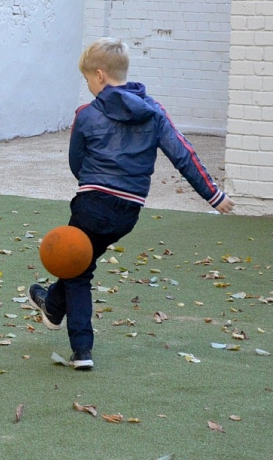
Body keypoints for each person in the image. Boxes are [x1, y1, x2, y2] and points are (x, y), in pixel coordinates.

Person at [29, 37, 234, 370]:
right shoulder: (153, 111)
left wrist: (91, 185)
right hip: (128, 212)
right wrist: (213, 194)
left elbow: (75, 161)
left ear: (99, 76)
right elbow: (182, 153)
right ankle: (51, 305)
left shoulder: (86, 113)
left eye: (87, 81)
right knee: (81, 261)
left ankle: (81, 349)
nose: (89, 87)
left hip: (92, 202)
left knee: (77, 271)